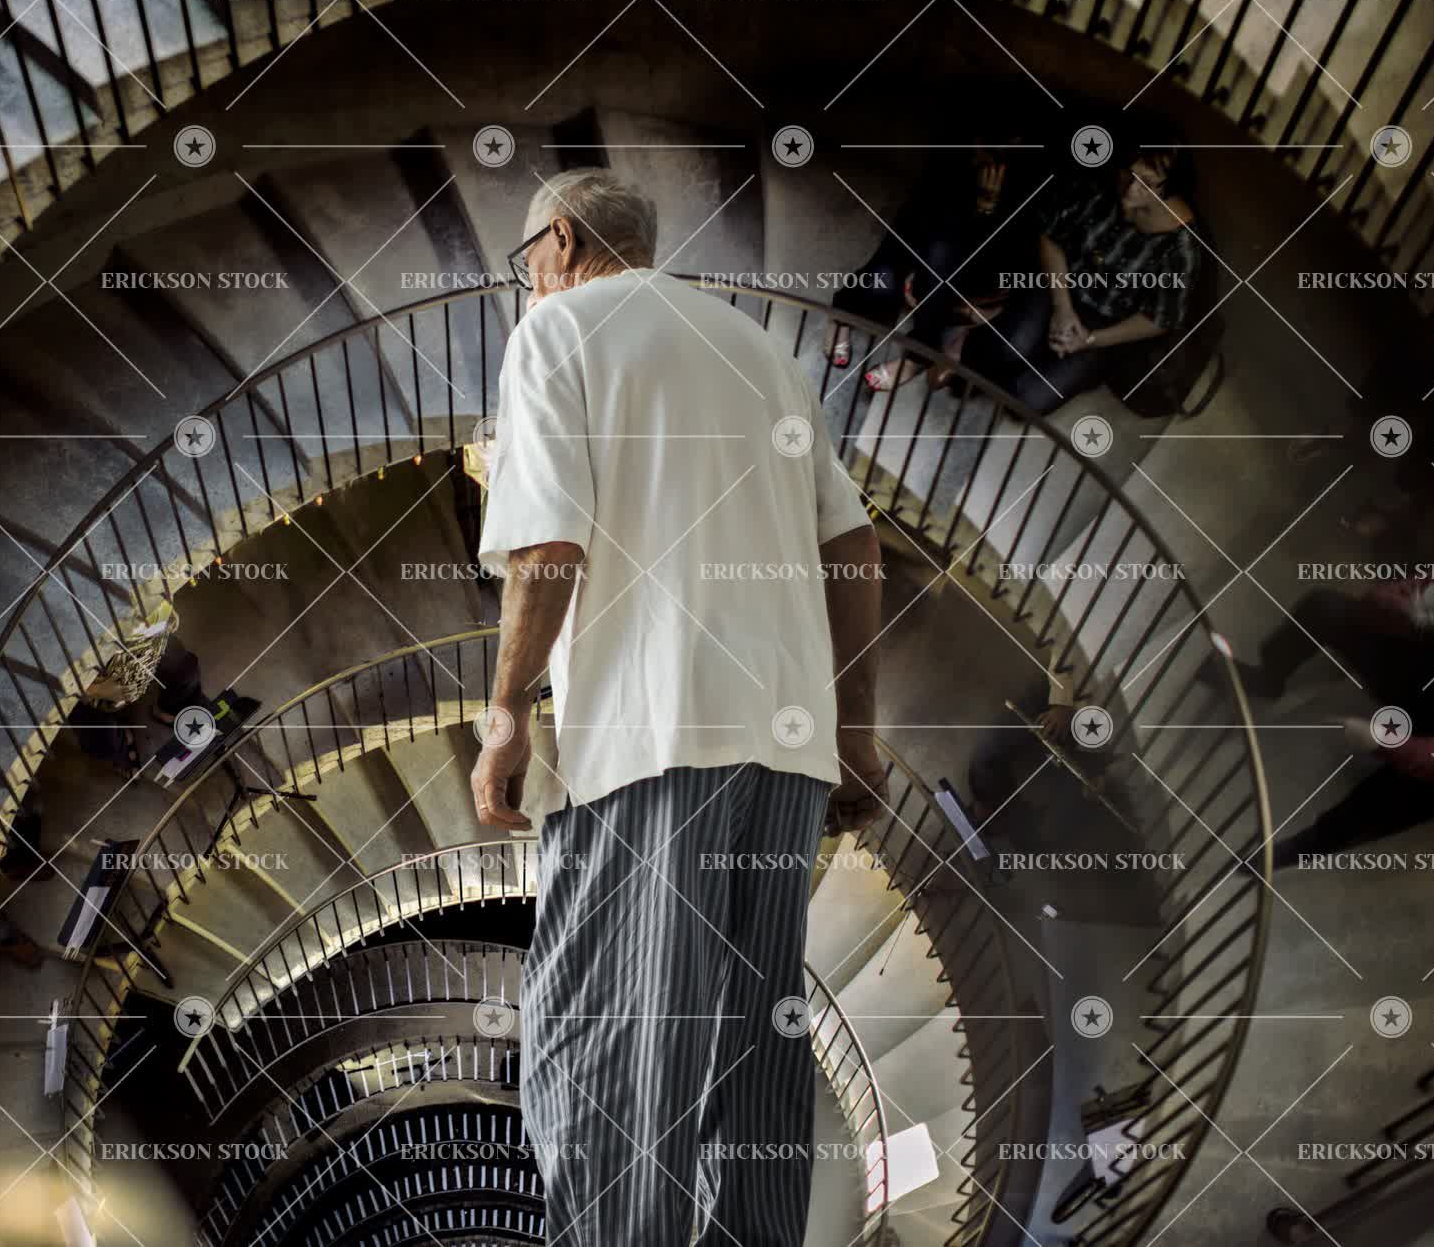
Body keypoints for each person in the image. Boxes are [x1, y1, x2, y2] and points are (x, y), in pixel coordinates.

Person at [469, 168, 887, 1245]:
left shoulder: (556, 331)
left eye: (527, 261)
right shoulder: (758, 350)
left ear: (561, 243)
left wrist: (507, 714)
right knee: (754, 1038)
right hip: (787, 748)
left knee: (610, 1042)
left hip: (652, 738)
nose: (527, 280)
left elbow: (546, 547)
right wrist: (854, 731)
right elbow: (852, 547)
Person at [1245, 561, 1434, 867]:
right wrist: (1408, 612)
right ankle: (1269, 678)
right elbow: (1373, 603)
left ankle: (1310, 844)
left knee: (1398, 789)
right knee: (1325, 607)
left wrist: (1382, 742)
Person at [958, 140, 1205, 415]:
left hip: (1105, 322)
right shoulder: (1103, 189)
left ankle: (1015, 326)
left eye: (1146, 184)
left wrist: (1090, 339)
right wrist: (1062, 308)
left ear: (1168, 190)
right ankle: (992, 332)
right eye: (1130, 175)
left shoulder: (1182, 247)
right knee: (1005, 350)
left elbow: (1160, 318)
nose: (1130, 189)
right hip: (1061, 284)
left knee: (1027, 400)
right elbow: (1050, 235)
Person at [834, 122, 1042, 390]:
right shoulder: (952, 153)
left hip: (973, 269)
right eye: (984, 147)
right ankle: (843, 311)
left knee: (940, 254)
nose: (988, 159)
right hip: (928, 252)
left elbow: (999, 255)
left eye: (998, 154)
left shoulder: (1020, 184)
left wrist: (986, 208)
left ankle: (918, 355)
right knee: (884, 278)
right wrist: (911, 266)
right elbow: (919, 215)